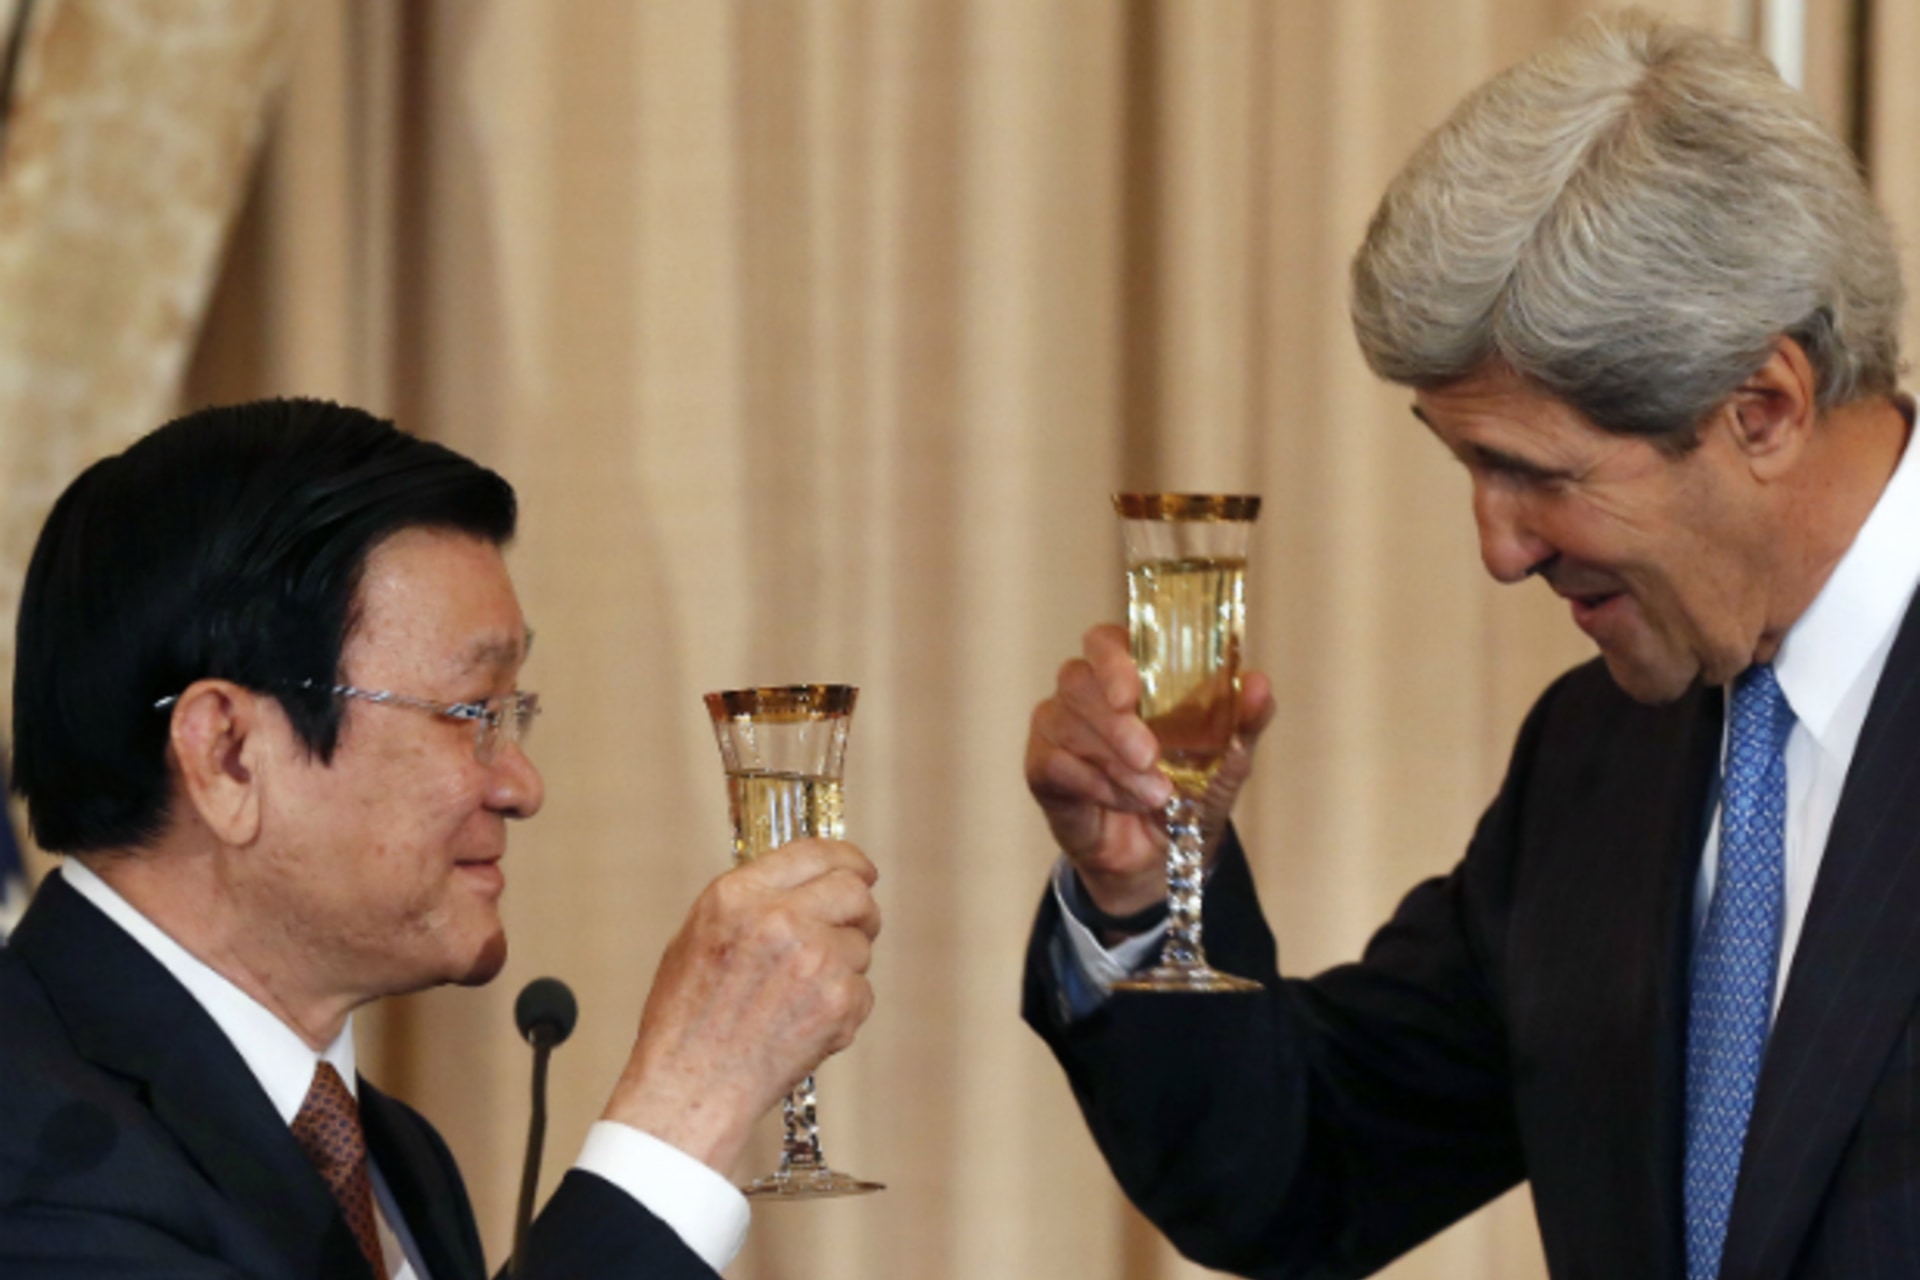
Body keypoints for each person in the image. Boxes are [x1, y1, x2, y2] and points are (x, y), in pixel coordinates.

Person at [1023, 12, 1920, 1280]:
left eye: (1532, 472)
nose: (1499, 549)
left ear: (1763, 408)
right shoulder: (1598, 750)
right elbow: (1304, 1169)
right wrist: (1145, 882)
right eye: (1465, 466)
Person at [0, 398, 882, 1277]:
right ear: (229, 754)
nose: (520, 786)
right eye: (472, 713)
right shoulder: (34, 1141)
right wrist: (689, 1103)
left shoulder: (391, 1152)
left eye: (513, 716)